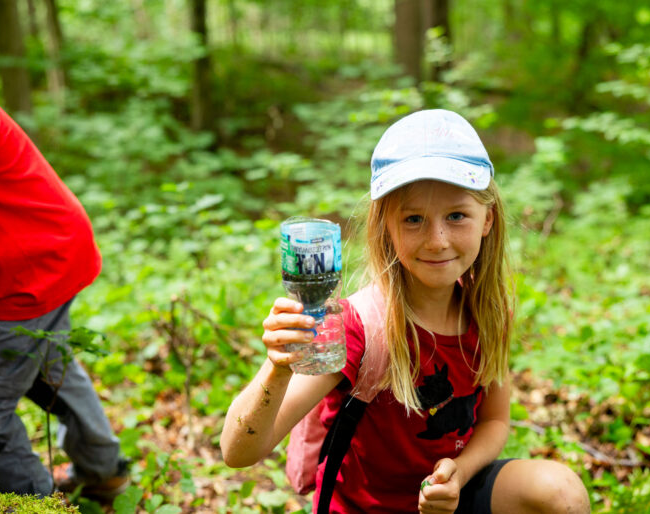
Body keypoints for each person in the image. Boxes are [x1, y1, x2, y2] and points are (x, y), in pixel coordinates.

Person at [220, 109, 590, 513]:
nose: (437, 240)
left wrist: (459, 473)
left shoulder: (487, 311)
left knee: (561, 493)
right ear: (387, 229)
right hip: (367, 508)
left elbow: (495, 421)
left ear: (488, 219)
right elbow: (238, 452)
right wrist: (278, 366)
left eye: (456, 216)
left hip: (450, 499)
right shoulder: (357, 329)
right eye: (414, 219)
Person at [0, 70, 128, 500]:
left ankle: (31, 505)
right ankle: (104, 473)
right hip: (41, 248)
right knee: (44, 368)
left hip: (36, 264)